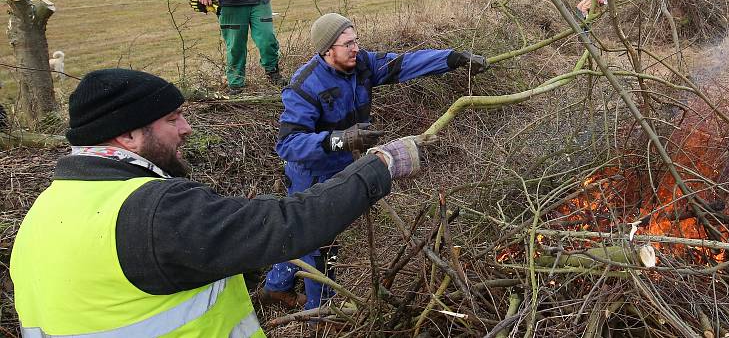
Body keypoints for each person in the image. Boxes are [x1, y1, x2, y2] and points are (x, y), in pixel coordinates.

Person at [10, 68, 423, 337]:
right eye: (172, 119)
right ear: (128, 136)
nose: (187, 129)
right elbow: (287, 224)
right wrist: (380, 166)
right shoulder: (150, 211)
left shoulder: (42, 214)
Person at [262, 12, 488, 310]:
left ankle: (276, 287)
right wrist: (342, 139)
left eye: (356, 40)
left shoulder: (362, 64)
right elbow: (288, 144)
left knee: (302, 235)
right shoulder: (305, 86)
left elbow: (405, 63)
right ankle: (320, 315)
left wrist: (452, 58)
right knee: (322, 243)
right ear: (327, 49)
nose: (356, 48)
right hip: (312, 177)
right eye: (348, 43)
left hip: (344, 167)